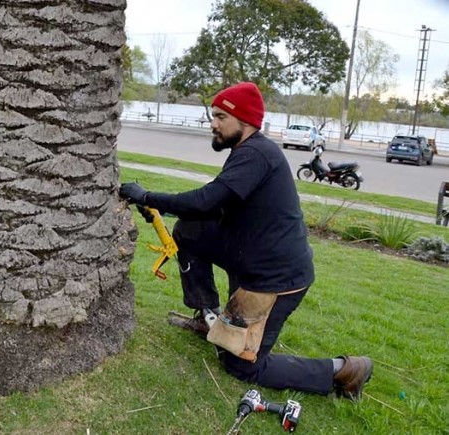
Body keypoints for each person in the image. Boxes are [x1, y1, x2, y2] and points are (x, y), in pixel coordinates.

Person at [119, 82, 373, 400]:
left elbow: (206, 200)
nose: (213, 123)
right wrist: (161, 210)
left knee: (241, 366)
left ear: (245, 121)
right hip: (248, 258)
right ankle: (207, 314)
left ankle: (344, 369)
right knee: (190, 230)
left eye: (220, 116)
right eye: (213, 115)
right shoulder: (248, 152)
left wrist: (148, 195)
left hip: (274, 279)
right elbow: (215, 209)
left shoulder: (257, 154)